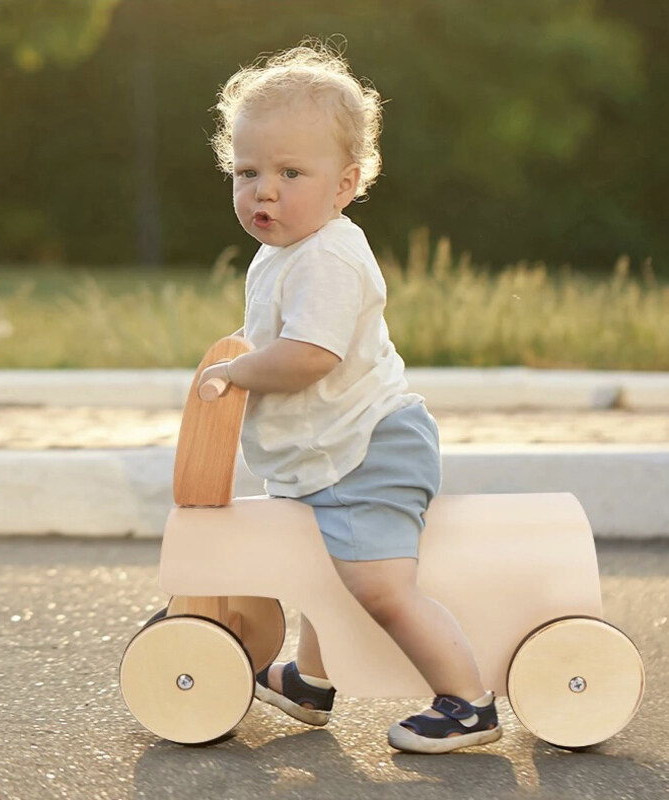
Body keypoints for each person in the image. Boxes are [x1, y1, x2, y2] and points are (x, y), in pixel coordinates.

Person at [198, 40, 502, 754]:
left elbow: (308, 355)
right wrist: (242, 347)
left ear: (345, 184)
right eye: (247, 172)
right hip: (330, 451)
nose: (263, 190)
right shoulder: (283, 253)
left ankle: (467, 701)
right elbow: (278, 329)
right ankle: (309, 680)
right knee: (320, 572)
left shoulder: (332, 254)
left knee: (379, 587)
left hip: (368, 451)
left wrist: (236, 372)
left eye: (290, 172)